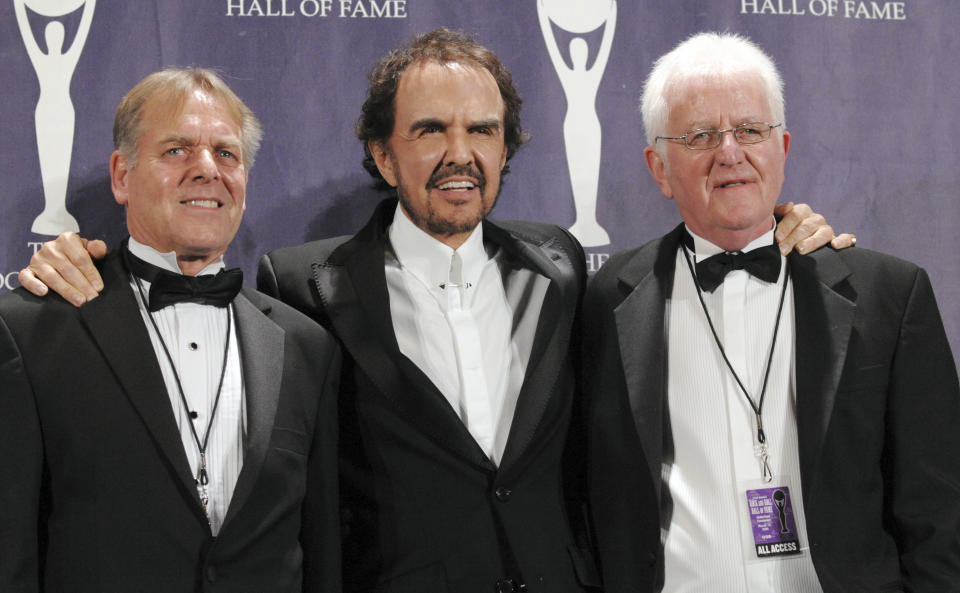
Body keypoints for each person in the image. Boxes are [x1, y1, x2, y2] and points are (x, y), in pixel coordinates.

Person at [15, 29, 844, 593]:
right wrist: (73, 258)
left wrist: (788, 232)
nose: (460, 152)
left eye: (482, 130)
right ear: (384, 152)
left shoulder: (565, 270)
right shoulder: (304, 289)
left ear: (506, 148)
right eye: (430, 129)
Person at [583, 32, 960, 593]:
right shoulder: (607, 299)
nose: (729, 151)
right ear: (659, 168)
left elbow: (939, 513)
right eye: (700, 135)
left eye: (751, 130)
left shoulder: (889, 294)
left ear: (781, 149)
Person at [0, 68, 341, 593]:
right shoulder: (32, 329)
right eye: (177, 150)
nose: (207, 169)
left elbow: (320, 553)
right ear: (121, 175)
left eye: (226, 154)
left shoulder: (304, 346)